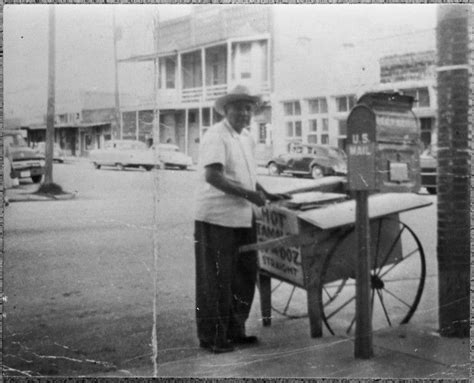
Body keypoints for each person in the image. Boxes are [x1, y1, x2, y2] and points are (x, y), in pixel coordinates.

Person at [194, 85, 289, 354]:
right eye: (238, 107)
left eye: (248, 108)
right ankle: (214, 337)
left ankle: (236, 330)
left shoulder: (246, 138)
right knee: (217, 280)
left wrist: (265, 192)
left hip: (244, 216)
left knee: (245, 275)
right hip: (216, 218)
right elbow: (213, 176)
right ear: (226, 110)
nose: (244, 113)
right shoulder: (216, 135)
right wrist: (249, 194)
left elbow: (246, 175)